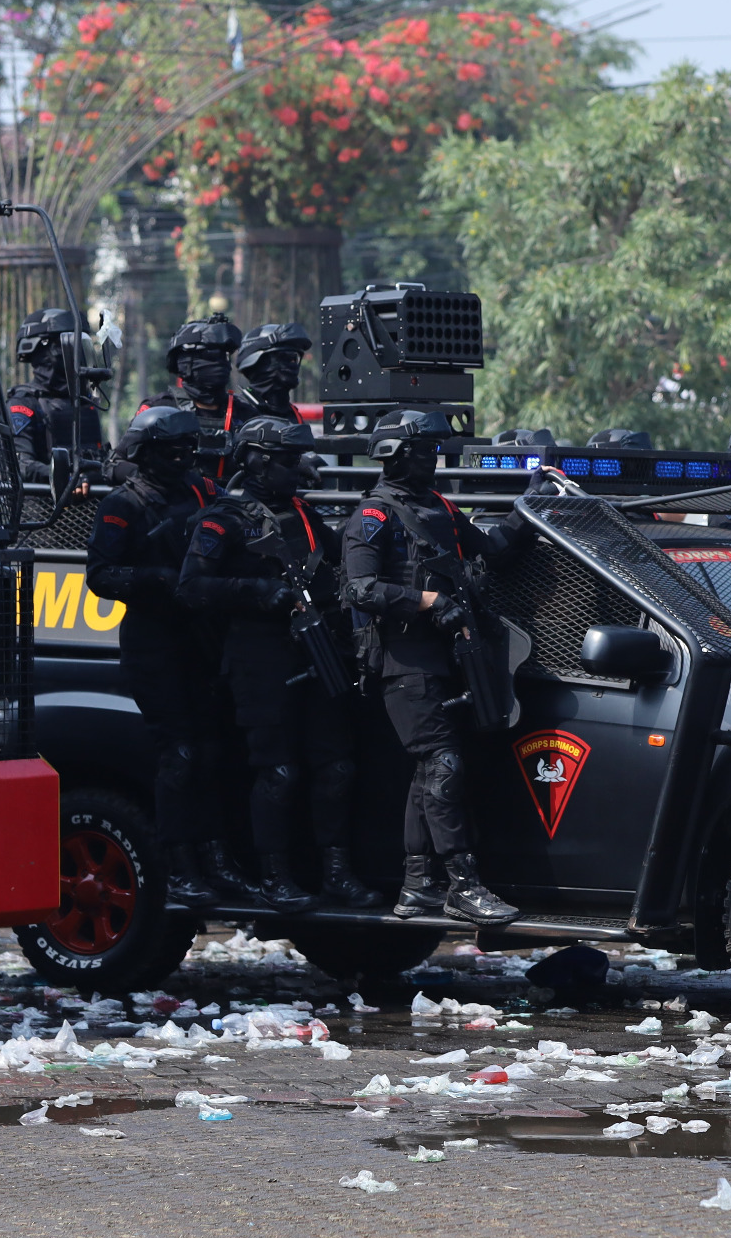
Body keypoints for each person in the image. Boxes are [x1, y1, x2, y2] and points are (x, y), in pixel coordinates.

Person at [343, 409, 541, 925]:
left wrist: (532, 505)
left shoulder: (440, 508)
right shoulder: (373, 516)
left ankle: (416, 887)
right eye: (424, 451)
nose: (434, 459)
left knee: (430, 772)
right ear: (395, 454)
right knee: (444, 766)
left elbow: (494, 550)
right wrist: (427, 601)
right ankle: (462, 885)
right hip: (404, 662)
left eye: (435, 450)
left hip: (451, 659)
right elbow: (360, 589)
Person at [176, 418, 381, 912]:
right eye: (289, 461)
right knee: (280, 772)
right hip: (259, 659)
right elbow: (191, 588)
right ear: (257, 460)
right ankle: (275, 877)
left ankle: (335, 874)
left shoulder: (305, 515)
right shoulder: (222, 520)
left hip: (316, 653)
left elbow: (344, 565)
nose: (300, 469)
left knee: (336, 767)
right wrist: (260, 593)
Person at [85, 405, 255, 908]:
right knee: (180, 753)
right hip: (154, 640)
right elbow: (100, 575)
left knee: (213, 750)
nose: (184, 454)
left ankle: (217, 857)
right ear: (147, 451)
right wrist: (156, 579)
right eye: (173, 448)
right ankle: (180, 865)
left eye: (188, 447)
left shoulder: (201, 490)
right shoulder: (124, 505)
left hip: (200, 636)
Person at [6, 308, 106, 488]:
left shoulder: (84, 401)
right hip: (44, 510)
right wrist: (67, 479)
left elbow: (100, 457)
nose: (79, 354)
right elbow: (21, 465)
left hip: (91, 506)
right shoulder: (24, 403)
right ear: (44, 348)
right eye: (71, 345)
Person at [228, 323, 313, 425]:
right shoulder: (232, 411)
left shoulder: (295, 417)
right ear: (258, 362)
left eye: (295, 359)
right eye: (285, 357)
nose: (293, 364)